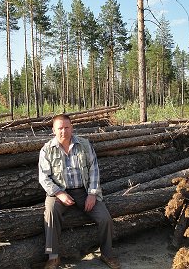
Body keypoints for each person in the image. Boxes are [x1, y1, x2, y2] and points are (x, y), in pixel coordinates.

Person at [38, 114, 121, 269]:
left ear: (72, 127)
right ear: (53, 130)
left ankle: (107, 254)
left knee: (105, 218)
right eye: (60, 128)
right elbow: (44, 178)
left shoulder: (84, 144)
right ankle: (53, 257)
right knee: (50, 212)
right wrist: (59, 193)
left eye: (67, 127)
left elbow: (94, 169)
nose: (64, 131)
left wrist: (92, 193)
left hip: (83, 191)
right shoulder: (47, 150)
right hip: (58, 192)